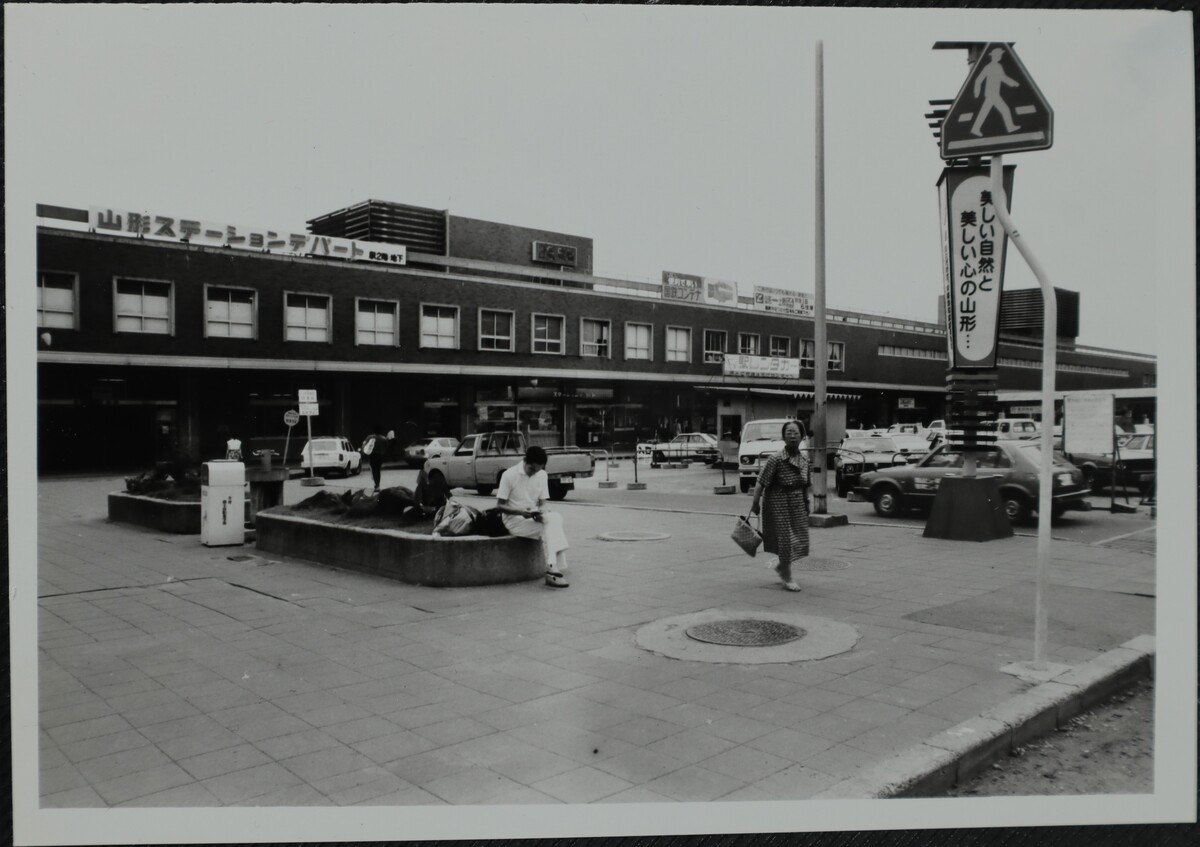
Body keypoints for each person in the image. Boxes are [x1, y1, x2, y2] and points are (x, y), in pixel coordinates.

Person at [749, 420, 812, 592]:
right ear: (783, 437)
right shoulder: (775, 459)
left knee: (800, 540)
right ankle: (787, 577)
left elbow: (805, 485)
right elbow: (760, 482)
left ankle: (781, 567)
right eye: (789, 433)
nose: (792, 436)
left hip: (797, 504)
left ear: (802, 436)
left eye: (796, 433)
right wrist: (755, 503)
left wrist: (806, 503)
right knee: (785, 541)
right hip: (778, 504)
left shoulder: (805, 460)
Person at [496, 445, 570, 588]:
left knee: (555, 517)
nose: (533, 473)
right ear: (525, 461)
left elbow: (543, 503)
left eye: (537, 470)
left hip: (532, 517)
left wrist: (541, 512)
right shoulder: (509, 475)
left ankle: (552, 567)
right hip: (513, 520)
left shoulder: (541, 475)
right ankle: (553, 568)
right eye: (531, 469)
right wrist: (521, 512)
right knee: (550, 525)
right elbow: (499, 506)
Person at [361, 425, 388, 494]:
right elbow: (386, 448)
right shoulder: (383, 438)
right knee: (378, 470)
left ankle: (376, 485)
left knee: (374, 470)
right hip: (380, 456)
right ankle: (377, 484)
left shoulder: (370, 437)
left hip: (372, 456)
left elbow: (364, 444)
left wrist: (363, 452)